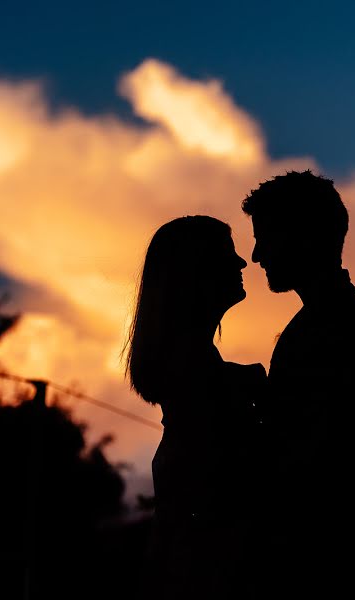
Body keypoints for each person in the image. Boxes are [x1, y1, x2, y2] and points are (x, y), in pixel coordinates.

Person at [242, 170, 355, 595]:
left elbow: (309, 450)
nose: (256, 255)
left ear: (302, 236)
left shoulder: (333, 324)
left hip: (321, 556)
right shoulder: (330, 318)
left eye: (265, 237)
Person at [124, 215, 266, 599]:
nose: (241, 263)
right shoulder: (195, 370)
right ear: (195, 272)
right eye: (227, 253)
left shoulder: (193, 366)